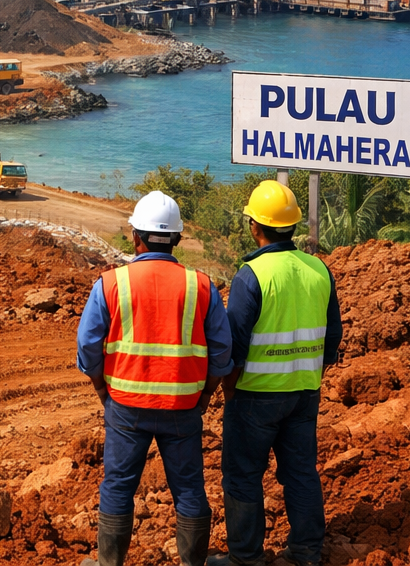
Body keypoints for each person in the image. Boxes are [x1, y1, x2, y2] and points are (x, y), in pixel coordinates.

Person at [77, 190, 233, 566]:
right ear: (177, 239)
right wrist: (207, 394)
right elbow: (222, 351)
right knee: (189, 488)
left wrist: (102, 387)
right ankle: (193, 562)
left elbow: (88, 344)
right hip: (183, 406)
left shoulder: (112, 283)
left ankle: (109, 563)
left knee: (117, 486)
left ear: (136, 236)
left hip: (126, 406)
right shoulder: (201, 285)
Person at [219, 180, 343, 566]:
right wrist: (307, 373)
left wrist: (230, 391)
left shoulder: (251, 275)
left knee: (242, 476)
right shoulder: (318, 269)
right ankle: (306, 553)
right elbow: (332, 336)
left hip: (255, 394)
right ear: (291, 226)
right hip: (304, 393)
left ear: (255, 226)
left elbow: (233, 345)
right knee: (301, 473)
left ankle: (246, 557)